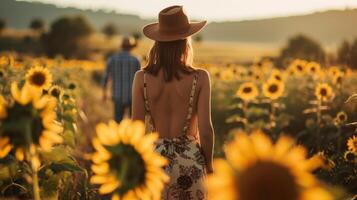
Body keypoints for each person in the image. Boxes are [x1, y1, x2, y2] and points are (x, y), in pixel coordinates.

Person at [132, 5, 214, 200]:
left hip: (154, 161)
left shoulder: (141, 78)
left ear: (157, 42)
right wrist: (209, 166)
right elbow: (205, 130)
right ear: (186, 41)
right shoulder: (200, 78)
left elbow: (135, 127)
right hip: (190, 162)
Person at [102, 36, 141, 122]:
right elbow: (141, 78)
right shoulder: (136, 60)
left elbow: (106, 76)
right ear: (131, 47)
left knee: (117, 122)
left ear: (122, 46)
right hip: (133, 96)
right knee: (134, 123)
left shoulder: (112, 59)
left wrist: (104, 92)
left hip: (117, 95)